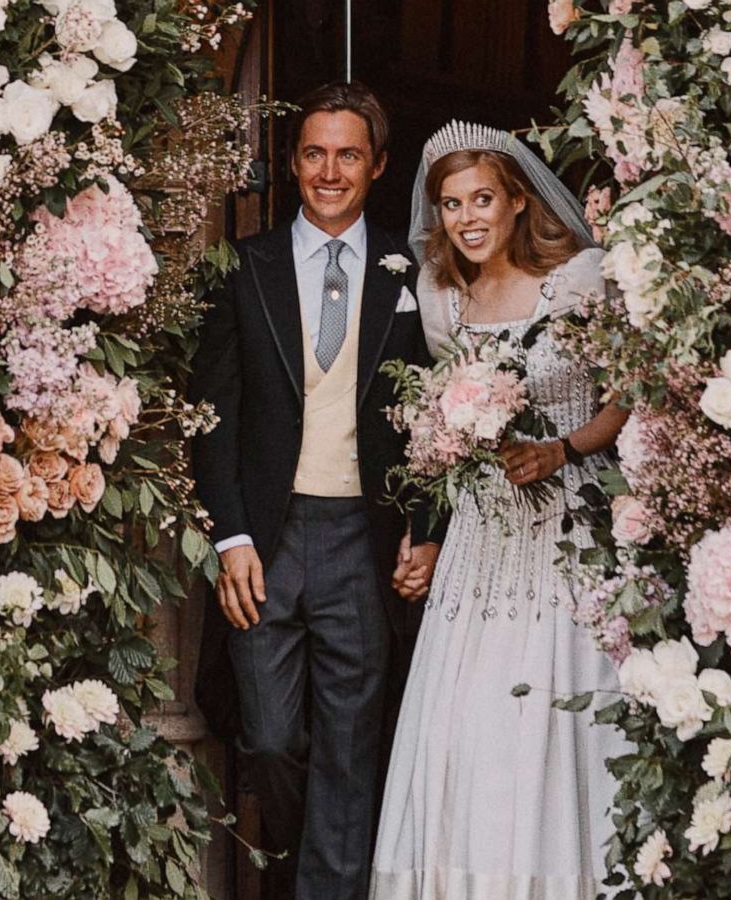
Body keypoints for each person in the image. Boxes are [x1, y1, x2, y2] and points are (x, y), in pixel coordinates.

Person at [188, 82, 442, 900]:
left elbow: (448, 423)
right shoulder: (245, 266)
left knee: (349, 744)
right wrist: (231, 538)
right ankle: (312, 867)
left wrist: (428, 528)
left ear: (378, 166)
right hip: (268, 535)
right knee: (266, 735)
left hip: (364, 539)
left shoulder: (419, 273)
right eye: (314, 153)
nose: (329, 171)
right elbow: (213, 416)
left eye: (348, 155)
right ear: (293, 163)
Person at [369, 121, 633, 900]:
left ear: (518, 200)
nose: (467, 218)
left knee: (554, 719)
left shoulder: (583, 277)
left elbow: (629, 391)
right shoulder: (443, 295)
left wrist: (565, 449)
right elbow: (443, 423)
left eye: (481, 199)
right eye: (451, 205)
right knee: (470, 724)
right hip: (484, 532)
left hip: (569, 524)